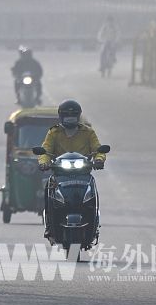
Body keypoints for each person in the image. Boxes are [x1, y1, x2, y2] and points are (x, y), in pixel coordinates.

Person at [38, 99, 107, 235]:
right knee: (47, 189)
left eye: (73, 117)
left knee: (92, 192)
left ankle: (93, 224)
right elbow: (45, 151)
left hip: (83, 173)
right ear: (61, 117)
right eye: (67, 117)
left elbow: (98, 149)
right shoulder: (53, 132)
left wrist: (99, 160)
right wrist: (43, 163)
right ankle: (49, 225)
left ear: (78, 116)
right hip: (59, 173)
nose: (70, 120)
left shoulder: (88, 132)